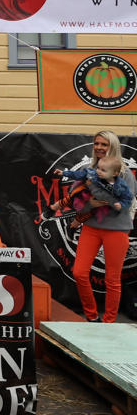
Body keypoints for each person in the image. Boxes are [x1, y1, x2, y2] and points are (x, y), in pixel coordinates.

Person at [60, 131, 135, 323]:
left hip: (117, 230)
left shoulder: (124, 174)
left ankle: (109, 321)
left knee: (112, 279)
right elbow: (78, 202)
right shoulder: (88, 171)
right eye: (97, 143)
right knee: (79, 272)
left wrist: (103, 197)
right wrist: (90, 205)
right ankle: (92, 316)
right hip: (92, 227)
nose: (99, 147)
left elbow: (124, 205)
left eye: (105, 144)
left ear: (113, 147)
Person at [52, 155, 132, 228]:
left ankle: (72, 226)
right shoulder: (93, 174)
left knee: (87, 214)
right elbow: (78, 174)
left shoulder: (121, 186)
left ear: (115, 173)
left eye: (103, 170)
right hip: (85, 193)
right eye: (98, 168)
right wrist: (64, 173)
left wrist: (121, 204)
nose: (98, 171)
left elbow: (128, 198)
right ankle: (52, 208)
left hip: (99, 202)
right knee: (70, 198)